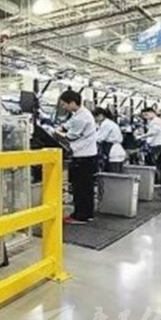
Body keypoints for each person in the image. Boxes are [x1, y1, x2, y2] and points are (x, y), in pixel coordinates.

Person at [54, 90, 98, 224]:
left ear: (72, 103)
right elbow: (67, 125)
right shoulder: (78, 114)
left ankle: (82, 216)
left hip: (84, 157)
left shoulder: (81, 117)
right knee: (82, 187)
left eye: (64, 104)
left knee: (82, 188)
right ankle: (83, 213)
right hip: (84, 156)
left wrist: (56, 133)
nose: (63, 107)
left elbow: (71, 136)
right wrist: (61, 128)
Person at [140, 107, 161, 187]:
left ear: (152, 113)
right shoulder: (160, 121)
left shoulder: (155, 122)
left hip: (157, 145)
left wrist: (141, 136)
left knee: (152, 163)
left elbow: (153, 132)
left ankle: (155, 181)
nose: (145, 117)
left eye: (146, 115)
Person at [94, 107, 126, 172]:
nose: (95, 120)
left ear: (100, 115)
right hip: (116, 150)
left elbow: (99, 138)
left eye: (95, 117)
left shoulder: (106, 124)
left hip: (113, 151)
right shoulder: (109, 123)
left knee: (113, 174)